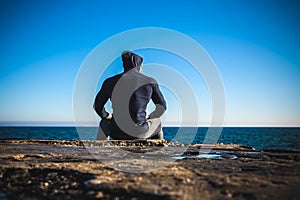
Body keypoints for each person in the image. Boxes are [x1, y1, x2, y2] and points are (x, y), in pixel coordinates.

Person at [93, 50, 167, 140]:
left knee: (103, 122)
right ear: (138, 65)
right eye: (141, 66)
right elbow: (162, 107)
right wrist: (150, 117)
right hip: (140, 131)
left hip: (116, 131)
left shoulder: (109, 81)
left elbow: (97, 105)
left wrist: (106, 115)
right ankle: (157, 152)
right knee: (157, 122)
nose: (142, 69)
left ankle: (99, 151)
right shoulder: (150, 81)